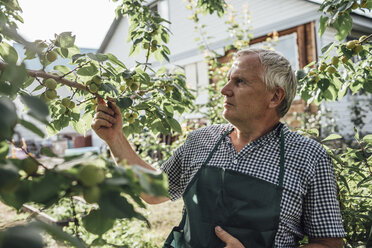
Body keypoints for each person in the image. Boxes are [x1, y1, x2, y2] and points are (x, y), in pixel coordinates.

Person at [91, 48, 345, 248]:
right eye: (227, 81)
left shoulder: (309, 157)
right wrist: (115, 139)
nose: (224, 90)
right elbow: (154, 191)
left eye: (240, 82)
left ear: (275, 97)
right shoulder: (201, 140)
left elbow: (329, 243)